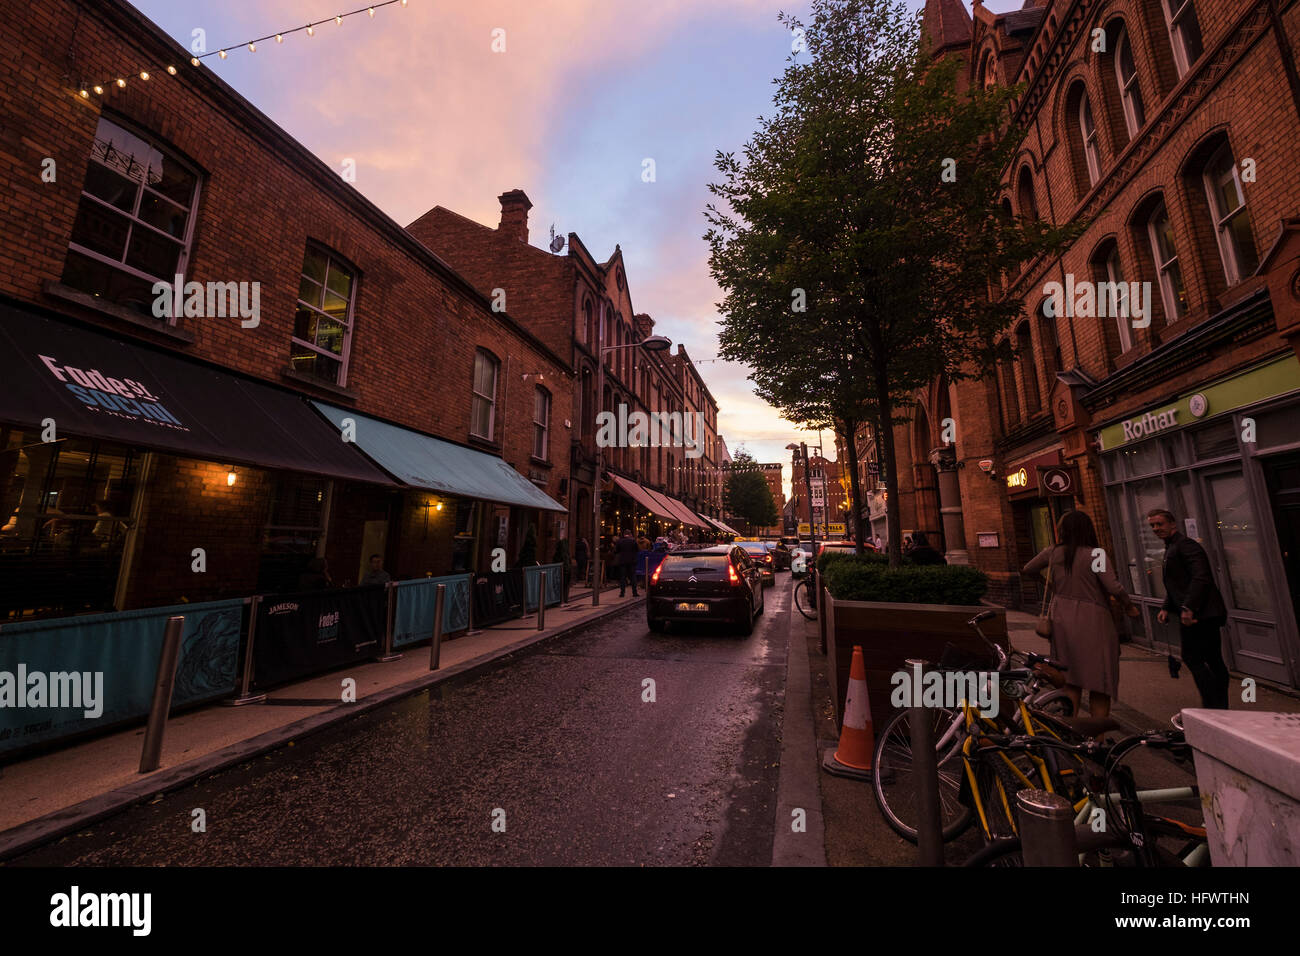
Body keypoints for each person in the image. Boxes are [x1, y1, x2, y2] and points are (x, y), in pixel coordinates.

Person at [1022, 510, 1134, 720]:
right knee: (1100, 683)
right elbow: (1113, 587)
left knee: (1070, 679)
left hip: (1062, 619)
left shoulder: (1053, 553)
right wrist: (1128, 605)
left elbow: (1028, 569)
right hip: (1094, 619)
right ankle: (1097, 738)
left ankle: (1071, 733)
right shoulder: (1096, 554)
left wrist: (1049, 584)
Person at [1148, 508, 1230, 709]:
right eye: (1152, 525)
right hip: (1198, 612)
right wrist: (1167, 607)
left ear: (1173, 524)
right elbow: (1178, 583)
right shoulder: (1172, 546)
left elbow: (1201, 577)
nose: (1156, 528)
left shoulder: (1185, 545)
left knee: (1193, 657)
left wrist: (1188, 607)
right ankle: (1219, 705)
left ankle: (1213, 706)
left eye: (1160, 524)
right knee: (1212, 658)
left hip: (1199, 614)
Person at [614, 527, 639, 597]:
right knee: (633, 577)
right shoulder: (633, 541)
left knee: (623, 577)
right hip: (632, 561)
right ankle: (634, 592)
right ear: (630, 534)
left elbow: (616, 551)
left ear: (624, 534)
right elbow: (637, 550)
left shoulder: (620, 541)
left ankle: (622, 593)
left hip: (622, 561)